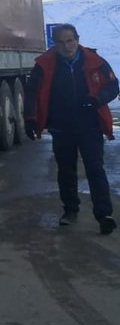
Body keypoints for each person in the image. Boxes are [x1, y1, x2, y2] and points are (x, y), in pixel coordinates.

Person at [22, 23, 118, 235]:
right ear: (54, 44)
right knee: (66, 170)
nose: (66, 47)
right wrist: (29, 118)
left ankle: (104, 215)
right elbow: (31, 92)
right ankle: (71, 211)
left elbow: (113, 86)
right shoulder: (44, 65)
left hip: (90, 126)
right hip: (61, 127)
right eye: (61, 42)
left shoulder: (95, 61)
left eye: (70, 41)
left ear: (77, 40)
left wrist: (97, 99)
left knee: (95, 168)